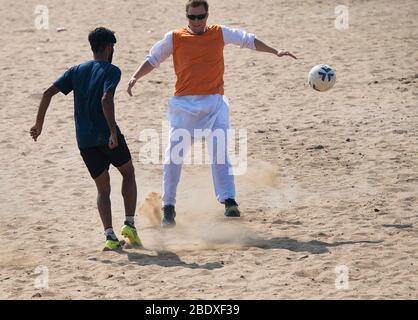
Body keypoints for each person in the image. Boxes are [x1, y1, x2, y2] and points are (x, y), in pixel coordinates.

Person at [128, 0, 297, 228]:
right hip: (184, 106)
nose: (196, 21)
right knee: (172, 157)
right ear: (186, 16)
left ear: (207, 15)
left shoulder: (219, 33)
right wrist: (135, 77)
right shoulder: (175, 37)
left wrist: (275, 50)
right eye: (192, 17)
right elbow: (153, 59)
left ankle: (229, 200)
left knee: (219, 151)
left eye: (201, 16)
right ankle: (168, 206)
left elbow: (247, 40)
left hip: (215, 103)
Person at [30, 27, 142, 250]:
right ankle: (129, 223)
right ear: (109, 47)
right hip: (106, 135)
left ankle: (110, 236)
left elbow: (47, 93)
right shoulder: (112, 70)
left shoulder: (76, 70)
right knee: (128, 173)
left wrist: (39, 124)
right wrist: (112, 131)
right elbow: (106, 99)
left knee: (103, 189)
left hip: (84, 141)